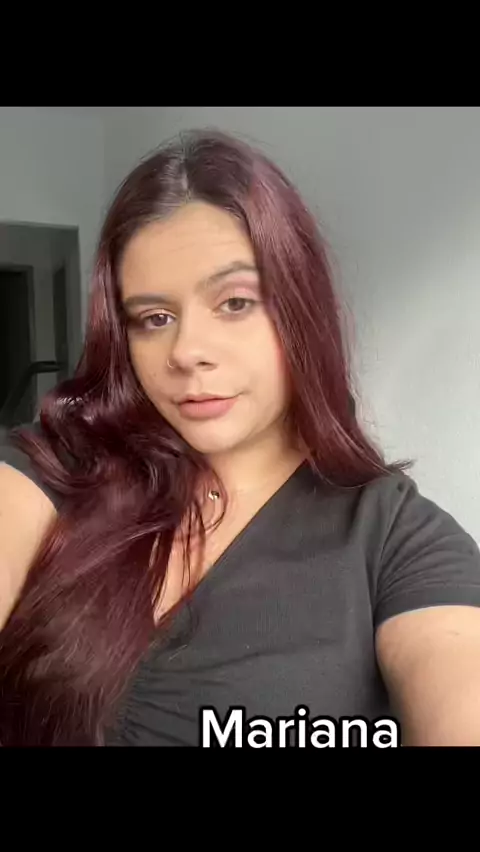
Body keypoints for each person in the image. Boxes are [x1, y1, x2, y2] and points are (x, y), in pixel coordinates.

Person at [1, 129, 480, 748]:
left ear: (300, 309)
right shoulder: (60, 464)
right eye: (154, 318)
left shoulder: (397, 540)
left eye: (234, 303)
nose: (187, 352)